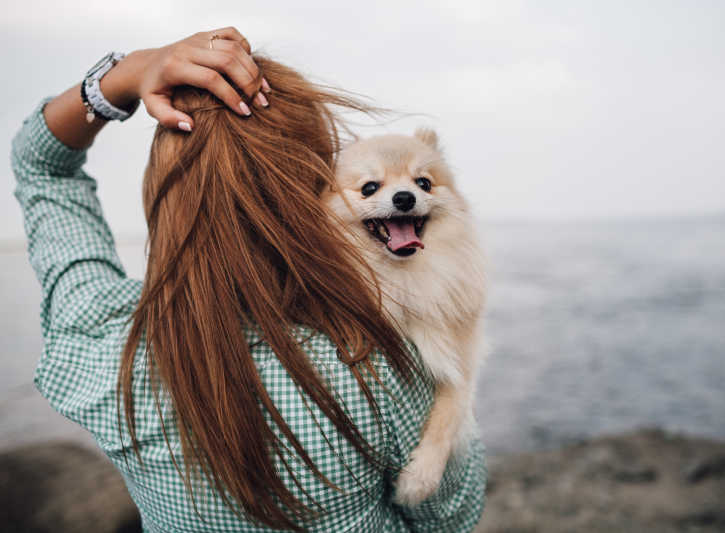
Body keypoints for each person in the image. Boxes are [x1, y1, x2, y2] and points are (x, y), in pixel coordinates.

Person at [11, 27, 487, 532]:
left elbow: (41, 167)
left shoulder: (100, 338)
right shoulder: (379, 359)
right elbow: (450, 516)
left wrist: (128, 73)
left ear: (158, 197)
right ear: (313, 200)